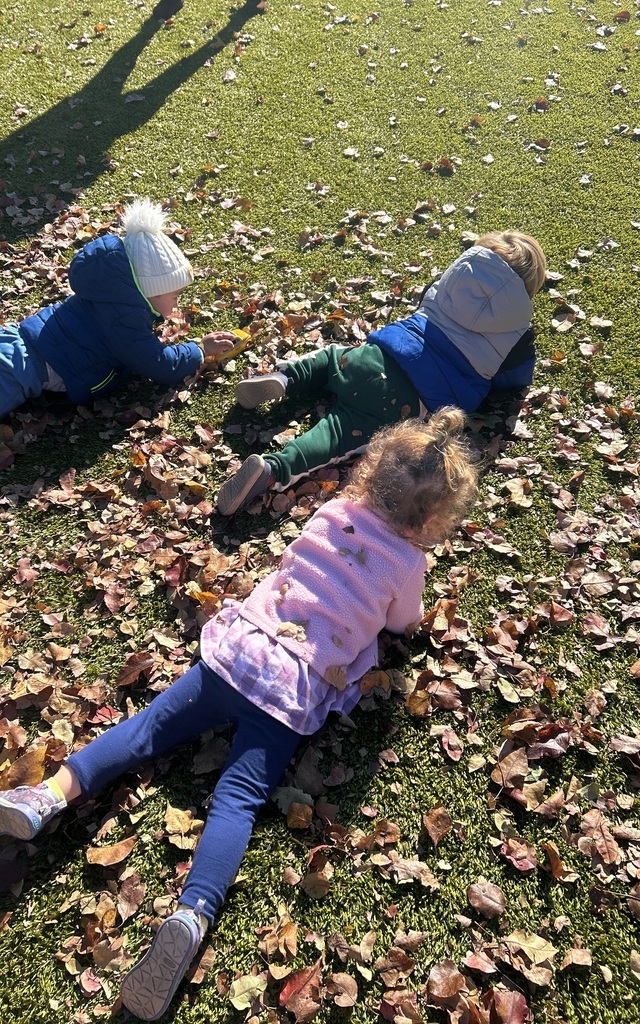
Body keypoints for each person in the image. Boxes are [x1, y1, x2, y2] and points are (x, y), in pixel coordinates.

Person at [0, 409, 478, 1022]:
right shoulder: (409, 566)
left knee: (143, 730)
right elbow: (401, 622)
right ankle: (192, 913)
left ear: (371, 472)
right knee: (238, 798)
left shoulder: (331, 513)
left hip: (239, 651)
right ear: (435, 519)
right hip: (292, 686)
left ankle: (46, 797)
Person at [216, 229, 545, 516]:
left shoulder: (449, 281)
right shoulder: (518, 334)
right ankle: (274, 468)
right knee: (336, 435)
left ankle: (287, 378)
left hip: (378, 353)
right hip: (408, 400)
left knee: (331, 358)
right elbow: (512, 381)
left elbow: (422, 304)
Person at [0, 198, 236, 420]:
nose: (177, 303)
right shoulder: (125, 318)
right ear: (149, 291)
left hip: (17, 338)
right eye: (174, 295)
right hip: (25, 368)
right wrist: (200, 349)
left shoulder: (109, 292)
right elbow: (160, 364)